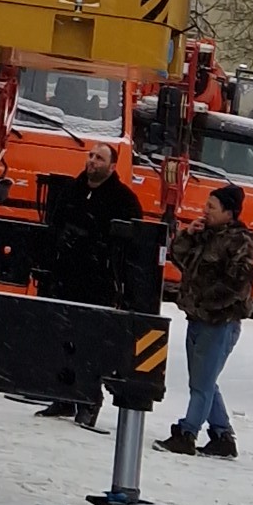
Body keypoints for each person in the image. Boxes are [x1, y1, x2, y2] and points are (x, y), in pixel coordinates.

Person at [37, 143, 147, 426]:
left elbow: (132, 244)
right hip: (65, 276)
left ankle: (89, 399)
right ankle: (63, 396)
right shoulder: (71, 191)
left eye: (100, 158)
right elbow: (54, 226)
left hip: (98, 280)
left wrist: (98, 247)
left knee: (90, 342)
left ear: (112, 167)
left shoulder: (123, 200)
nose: (92, 161)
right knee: (63, 339)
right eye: (91, 156)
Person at [160, 179, 253, 459]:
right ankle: (222, 435)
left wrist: (210, 303)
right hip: (198, 318)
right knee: (204, 380)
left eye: (212, 207)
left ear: (229, 212)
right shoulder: (206, 235)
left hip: (219, 322)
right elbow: (179, 258)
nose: (205, 211)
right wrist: (188, 234)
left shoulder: (240, 240)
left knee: (201, 384)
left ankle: (187, 433)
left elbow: (239, 281)